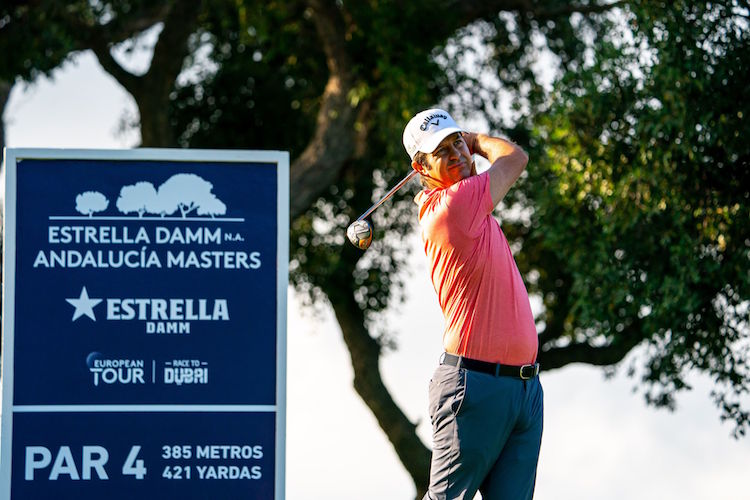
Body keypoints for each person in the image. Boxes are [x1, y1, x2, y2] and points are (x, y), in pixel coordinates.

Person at [402, 108, 543, 500]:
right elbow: (514, 158)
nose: (458, 155)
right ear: (421, 167)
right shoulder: (454, 205)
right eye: (442, 151)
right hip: (474, 386)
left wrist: (464, 145)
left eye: (457, 143)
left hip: (523, 388)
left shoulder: (471, 205)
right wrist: (476, 139)